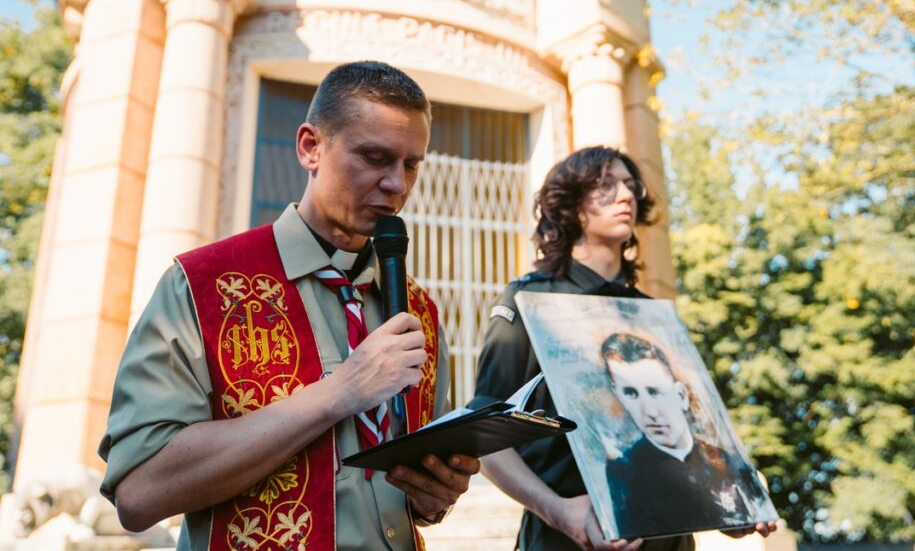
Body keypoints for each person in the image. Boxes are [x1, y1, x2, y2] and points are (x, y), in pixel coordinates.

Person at [99, 61, 480, 551]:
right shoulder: (202, 285)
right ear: (310, 147)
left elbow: (416, 488)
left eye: (411, 165)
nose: (397, 185)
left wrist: (435, 496)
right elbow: (138, 494)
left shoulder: (417, 310)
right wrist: (340, 392)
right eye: (375, 157)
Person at [474, 146, 775, 551]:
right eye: (606, 185)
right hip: (562, 542)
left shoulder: (652, 315)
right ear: (571, 203)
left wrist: (733, 508)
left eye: (631, 186)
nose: (626, 195)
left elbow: (693, 436)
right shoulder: (528, 300)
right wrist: (559, 511)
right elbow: (485, 440)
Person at [601, 333, 765, 537]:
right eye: (631, 393)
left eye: (654, 391)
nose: (649, 412)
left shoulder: (726, 460)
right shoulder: (623, 471)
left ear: (680, 395)